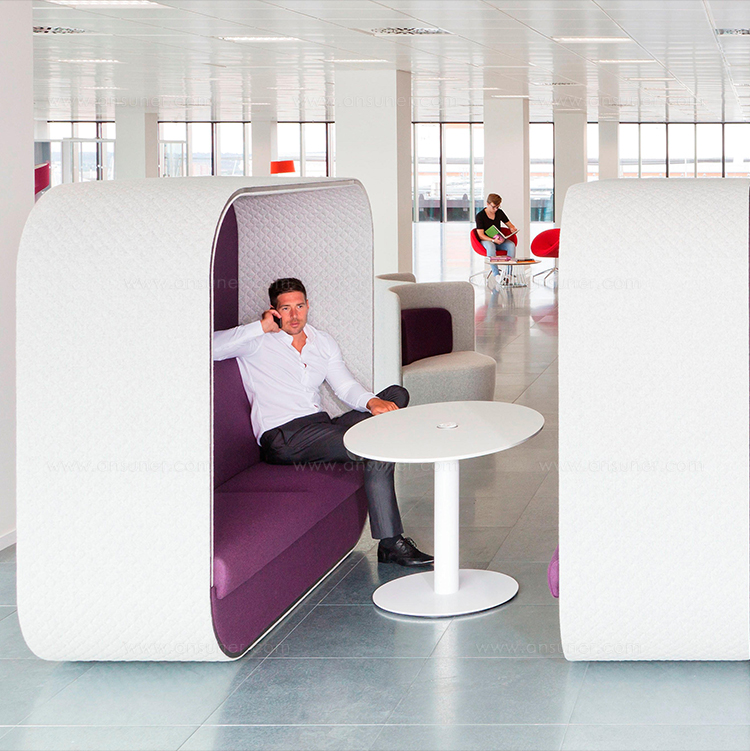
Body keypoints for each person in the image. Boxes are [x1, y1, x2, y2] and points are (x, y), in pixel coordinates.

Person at [212, 277, 434, 567]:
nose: (294, 315)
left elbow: (344, 386)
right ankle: (391, 543)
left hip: (321, 426)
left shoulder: (321, 341)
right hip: (285, 437)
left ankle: (386, 441)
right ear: (274, 310)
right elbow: (209, 347)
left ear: (307, 305)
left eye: (299, 306)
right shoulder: (257, 341)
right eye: (286, 308)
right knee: (375, 444)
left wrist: (371, 403)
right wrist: (260, 327)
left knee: (395, 394)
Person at [475, 193, 519, 286]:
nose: (495, 209)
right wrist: (492, 240)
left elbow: (510, 224)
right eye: (494, 207)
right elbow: (481, 235)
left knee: (511, 245)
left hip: (498, 239)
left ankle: (508, 274)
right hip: (486, 240)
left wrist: (512, 228)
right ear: (487, 204)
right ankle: (496, 275)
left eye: (497, 207)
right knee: (491, 246)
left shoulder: (499, 212)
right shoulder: (480, 216)